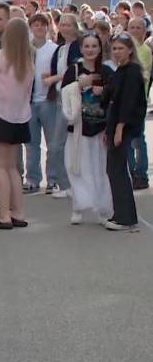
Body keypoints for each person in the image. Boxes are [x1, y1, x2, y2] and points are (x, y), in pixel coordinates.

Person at [0, 18, 34, 229]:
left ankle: (3, 215)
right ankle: (18, 213)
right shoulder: (29, 61)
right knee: (13, 167)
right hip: (20, 117)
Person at [60, 33, 113, 224]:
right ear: (81, 48)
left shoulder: (106, 71)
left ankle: (102, 208)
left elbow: (115, 95)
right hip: (79, 127)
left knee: (100, 168)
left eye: (94, 46)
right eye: (87, 46)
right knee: (76, 167)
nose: (90, 50)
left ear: (100, 49)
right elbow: (64, 93)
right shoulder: (74, 70)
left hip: (100, 127)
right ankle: (78, 206)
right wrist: (79, 84)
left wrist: (103, 91)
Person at [103, 34, 147, 231]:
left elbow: (128, 102)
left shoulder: (133, 72)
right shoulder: (120, 70)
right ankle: (121, 213)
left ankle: (125, 217)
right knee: (114, 169)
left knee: (118, 169)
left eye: (121, 48)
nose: (117, 52)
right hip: (113, 124)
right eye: (115, 48)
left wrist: (120, 128)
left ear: (130, 50)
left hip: (124, 126)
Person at [44, 14, 82, 198]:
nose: (65, 28)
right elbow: (58, 70)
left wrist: (54, 78)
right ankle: (66, 184)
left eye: (69, 24)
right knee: (58, 144)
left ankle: (67, 185)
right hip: (59, 98)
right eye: (62, 24)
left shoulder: (78, 47)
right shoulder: (60, 49)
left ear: (76, 27)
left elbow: (72, 71)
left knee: (58, 145)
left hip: (72, 98)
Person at [23, 13, 60, 194]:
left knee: (52, 143)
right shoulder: (25, 49)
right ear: (30, 28)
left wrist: (52, 80)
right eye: (35, 25)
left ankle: (53, 178)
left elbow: (61, 71)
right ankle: (32, 179)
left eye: (42, 25)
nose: (39, 28)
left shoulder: (54, 49)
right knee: (31, 144)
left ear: (47, 27)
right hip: (29, 101)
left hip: (48, 99)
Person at [126, 17, 152, 190]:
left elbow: (141, 75)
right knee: (126, 140)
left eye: (138, 28)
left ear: (144, 31)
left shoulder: (145, 51)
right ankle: (129, 171)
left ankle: (141, 174)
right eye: (132, 27)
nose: (134, 30)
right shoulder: (125, 49)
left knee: (137, 138)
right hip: (124, 101)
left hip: (138, 100)